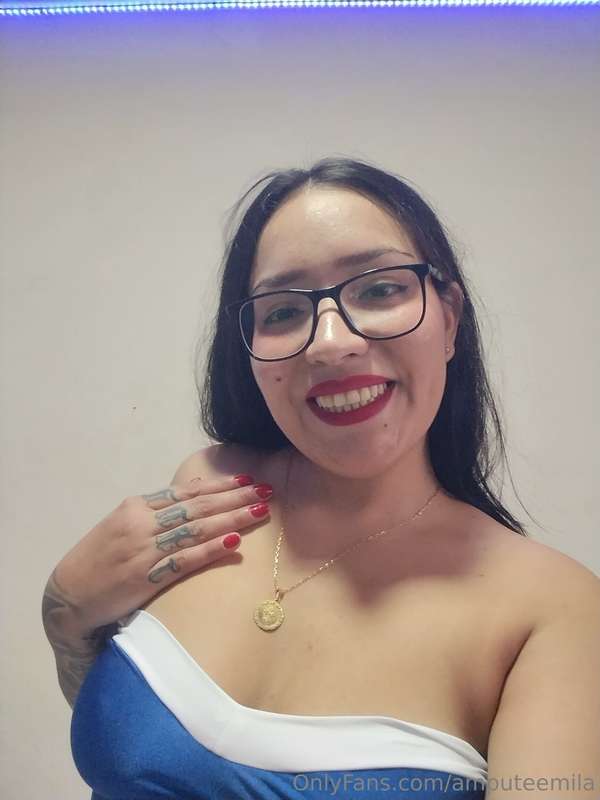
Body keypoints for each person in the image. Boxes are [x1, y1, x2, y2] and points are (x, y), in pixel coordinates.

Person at [43, 157, 600, 800]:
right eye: (283, 311)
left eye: (379, 289)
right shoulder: (210, 488)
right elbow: (132, 758)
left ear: (448, 317)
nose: (330, 343)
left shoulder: (555, 612)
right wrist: (65, 616)